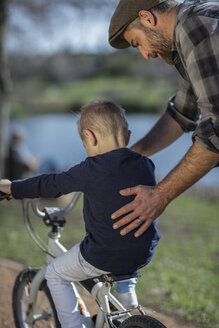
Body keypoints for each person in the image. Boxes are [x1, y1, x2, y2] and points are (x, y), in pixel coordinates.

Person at [0, 100, 161, 328]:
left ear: (90, 137)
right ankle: (126, 293)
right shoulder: (146, 164)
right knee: (127, 242)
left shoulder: (91, 168)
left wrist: (12, 187)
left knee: (55, 274)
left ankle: (75, 325)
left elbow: (51, 183)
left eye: (85, 143)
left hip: (104, 254)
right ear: (127, 136)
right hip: (143, 251)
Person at [108, 0, 219, 238]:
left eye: (137, 43)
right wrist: (128, 157)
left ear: (147, 18)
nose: (145, 55)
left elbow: (216, 129)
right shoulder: (193, 27)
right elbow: (182, 113)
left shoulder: (193, 27)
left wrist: (159, 196)